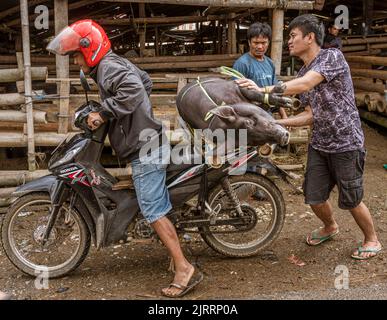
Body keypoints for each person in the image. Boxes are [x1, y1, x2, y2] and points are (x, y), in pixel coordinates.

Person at [46, 19, 203, 297]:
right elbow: (145, 81)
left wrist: (105, 112)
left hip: (145, 150)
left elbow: (134, 90)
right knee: (153, 203)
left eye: (76, 56)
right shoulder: (112, 64)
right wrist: (131, 116)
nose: (75, 63)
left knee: (152, 210)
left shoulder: (109, 67)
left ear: (89, 49)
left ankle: (184, 268)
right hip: (147, 142)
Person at [236, 14, 382, 260]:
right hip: (320, 143)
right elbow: (309, 115)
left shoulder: (331, 58)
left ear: (310, 37)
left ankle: (372, 239)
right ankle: (330, 226)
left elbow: (304, 84)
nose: (289, 41)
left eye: (293, 36)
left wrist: (261, 89)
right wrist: (276, 122)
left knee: (352, 198)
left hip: (346, 143)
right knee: (313, 195)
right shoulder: (304, 70)